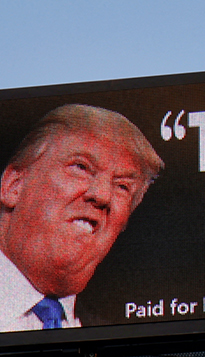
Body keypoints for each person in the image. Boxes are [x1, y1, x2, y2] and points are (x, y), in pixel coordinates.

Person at [0, 103, 162, 331]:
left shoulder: (123, 340)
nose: (103, 195)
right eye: (81, 167)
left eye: (122, 186)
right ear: (13, 186)